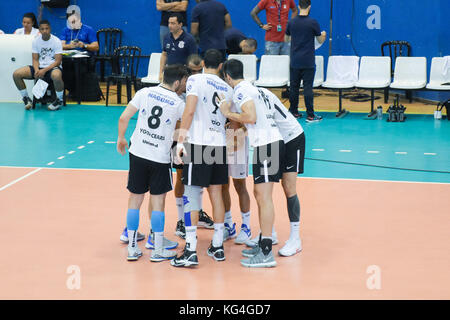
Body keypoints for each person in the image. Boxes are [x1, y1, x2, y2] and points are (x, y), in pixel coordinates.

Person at [116, 64, 188, 262]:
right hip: (159, 157)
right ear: (176, 82)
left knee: (135, 199)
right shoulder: (178, 103)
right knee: (158, 202)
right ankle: (157, 250)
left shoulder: (145, 92)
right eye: (184, 81)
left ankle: (132, 248)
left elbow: (124, 117)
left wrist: (121, 138)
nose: (185, 85)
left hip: (137, 152)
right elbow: (187, 124)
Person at [221, 59, 285, 268]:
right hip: (268, 144)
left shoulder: (240, 90)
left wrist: (228, 113)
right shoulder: (253, 88)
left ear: (228, 77)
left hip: (268, 146)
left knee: (264, 197)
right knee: (260, 195)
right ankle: (264, 241)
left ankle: (267, 252)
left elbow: (250, 116)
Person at [171, 49, 233, 267]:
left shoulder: (196, 79)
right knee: (216, 193)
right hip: (219, 144)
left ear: (204, 62)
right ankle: (217, 245)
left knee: (191, 192)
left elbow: (189, 111)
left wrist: (180, 140)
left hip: (198, 143)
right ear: (222, 65)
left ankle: (190, 248)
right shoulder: (227, 87)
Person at [253, 87, 305, 256]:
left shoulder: (247, 95)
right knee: (264, 189)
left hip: (292, 137)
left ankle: (295, 239)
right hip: (276, 139)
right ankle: (270, 233)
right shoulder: (257, 91)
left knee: (289, 187)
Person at [285, 0, 326, 121]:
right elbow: (319, 41)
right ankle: (310, 115)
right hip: (308, 61)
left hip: (295, 61)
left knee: (294, 87)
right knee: (308, 88)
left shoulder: (291, 22)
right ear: (309, 7)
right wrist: (323, 35)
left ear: (298, 6)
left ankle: (293, 112)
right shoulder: (313, 22)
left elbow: (286, 39)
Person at [12, 20, 64, 111]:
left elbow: (58, 61)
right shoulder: (36, 41)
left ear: (50, 29)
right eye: (42, 29)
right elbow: (35, 59)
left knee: (56, 75)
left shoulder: (56, 41)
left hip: (52, 67)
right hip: (40, 68)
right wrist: (36, 70)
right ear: (39, 30)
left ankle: (59, 100)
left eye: (46, 29)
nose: (45, 31)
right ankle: (26, 99)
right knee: (16, 74)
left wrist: (44, 70)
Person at [159, 13, 198, 82]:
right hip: (169, 74)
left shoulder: (189, 39)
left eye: (173, 23)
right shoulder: (166, 37)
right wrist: (160, 72)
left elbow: (193, 59)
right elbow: (164, 55)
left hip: (184, 75)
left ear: (180, 24)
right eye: (169, 23)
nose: (170, 26)